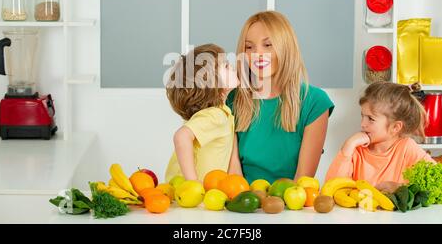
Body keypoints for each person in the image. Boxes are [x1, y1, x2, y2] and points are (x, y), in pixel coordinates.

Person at [226, 11, 335, 184]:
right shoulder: (231, 100)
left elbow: (303, 179)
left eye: (268, 45)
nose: (257, 54)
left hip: (292, 203)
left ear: (286, 47)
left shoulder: (315, 102)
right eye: (249, 47)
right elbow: (234, 174)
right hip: (243, 202)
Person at [325, 82, 436, 193]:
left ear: (395, 127)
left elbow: (436, 182)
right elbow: (331, 189)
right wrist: (348, 145)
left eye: (371, 119)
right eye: (362, 116)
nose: (363, 124)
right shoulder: (356, 149)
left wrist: (400, 188)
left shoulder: (407, 148)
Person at [164, 44, 240, 182]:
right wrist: (193, 183)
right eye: (226, 66)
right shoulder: (214, 115)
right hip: (188, 194)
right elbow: (181, 137)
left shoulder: (224, 113)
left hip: (190, 194)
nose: (233, 67)